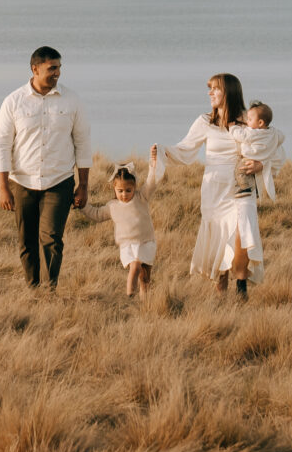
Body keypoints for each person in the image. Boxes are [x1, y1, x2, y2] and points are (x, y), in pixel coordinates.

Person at [150, 72, 276, 300]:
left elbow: (273, 144)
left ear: (228, 92)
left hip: (241, 189)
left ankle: (241, 288)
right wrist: (162, 150)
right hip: (214, 190)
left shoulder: (248, 119)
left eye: (215, 88)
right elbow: (185, 150)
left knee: (242, 233)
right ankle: (221, 294)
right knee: (218, 237)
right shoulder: (204, 122)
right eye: (209, 88)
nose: (210, 93)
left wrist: (261, 164)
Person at [0, 45, 90, 291]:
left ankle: (49, 290)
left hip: (59, 181)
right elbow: (2, 145)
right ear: (35, 69)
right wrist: (3, 188)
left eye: (59, 68)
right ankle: (32, 288)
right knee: (26, 241)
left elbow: (82, 143)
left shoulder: (72, 100)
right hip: (22, 183)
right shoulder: (13, 102)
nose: (57, 73)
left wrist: (83, 186)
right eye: (52, 68)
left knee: (52, 238)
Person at [104, 165, 155, 296]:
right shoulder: (112, 206)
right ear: (114, 189)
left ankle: (145, 302)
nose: (124, 194)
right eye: (120, 191)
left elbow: (151, 183)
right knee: (135, 266)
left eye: (128, 190)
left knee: (145, 278)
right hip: (127, 245)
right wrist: (82, 206)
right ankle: (130, 295)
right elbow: (95, 214)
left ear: (134, 188)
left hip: (146, 241)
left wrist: (153, 166)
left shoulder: (141, 197)